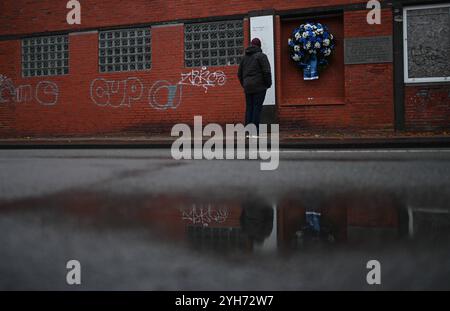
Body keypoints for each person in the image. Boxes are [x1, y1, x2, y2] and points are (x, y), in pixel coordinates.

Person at [238, 38, 272, 137]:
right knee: (257, 108)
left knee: (249, 108)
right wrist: (268, 84)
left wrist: (244, 84)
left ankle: (247, 132)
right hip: (259, 86)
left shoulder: (244, 58)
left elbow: (239, 74)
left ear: (251, 45)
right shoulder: (261, 56)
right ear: (259, 46)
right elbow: (267, 72)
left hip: (248, 87)